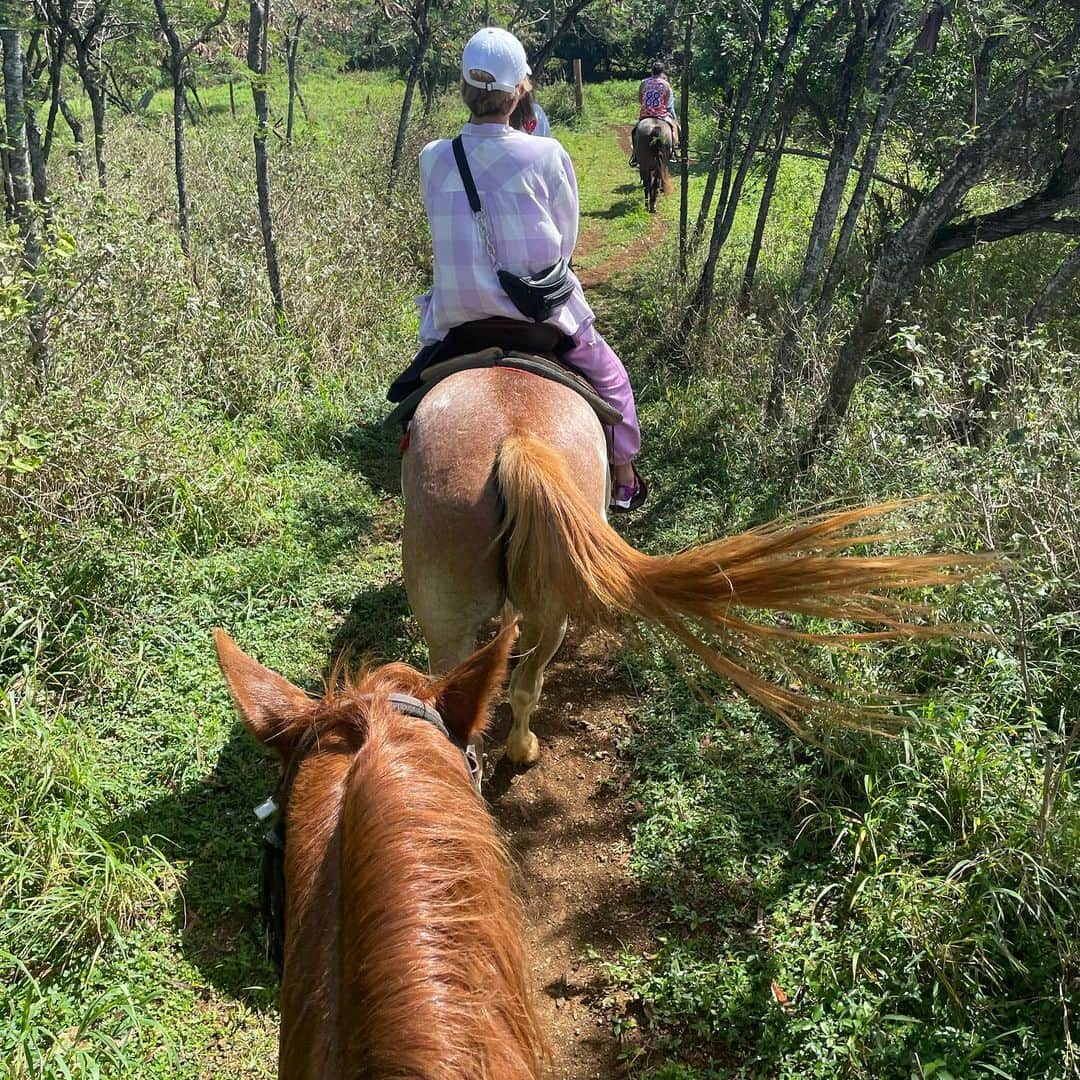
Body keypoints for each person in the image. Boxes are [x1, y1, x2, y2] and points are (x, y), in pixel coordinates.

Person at [398, 27, 646, 512]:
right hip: (541, 323)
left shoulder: (433, 158)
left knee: (412, 399)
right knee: (614, 382)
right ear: (518, 93)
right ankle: (621, 477)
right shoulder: (547, 153)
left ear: (464, 90)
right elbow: (566, 242)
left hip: (458, 324)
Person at [629, 61, 679, 169]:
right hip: (661, 113)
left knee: (634, 131)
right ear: (662, 72)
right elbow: (666, 102)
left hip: (645, 113)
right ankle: (673, 151)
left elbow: (640, 99)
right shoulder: (666, 84)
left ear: (652, 71)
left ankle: (635, 155)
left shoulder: (644, 82)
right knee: (674, 127)